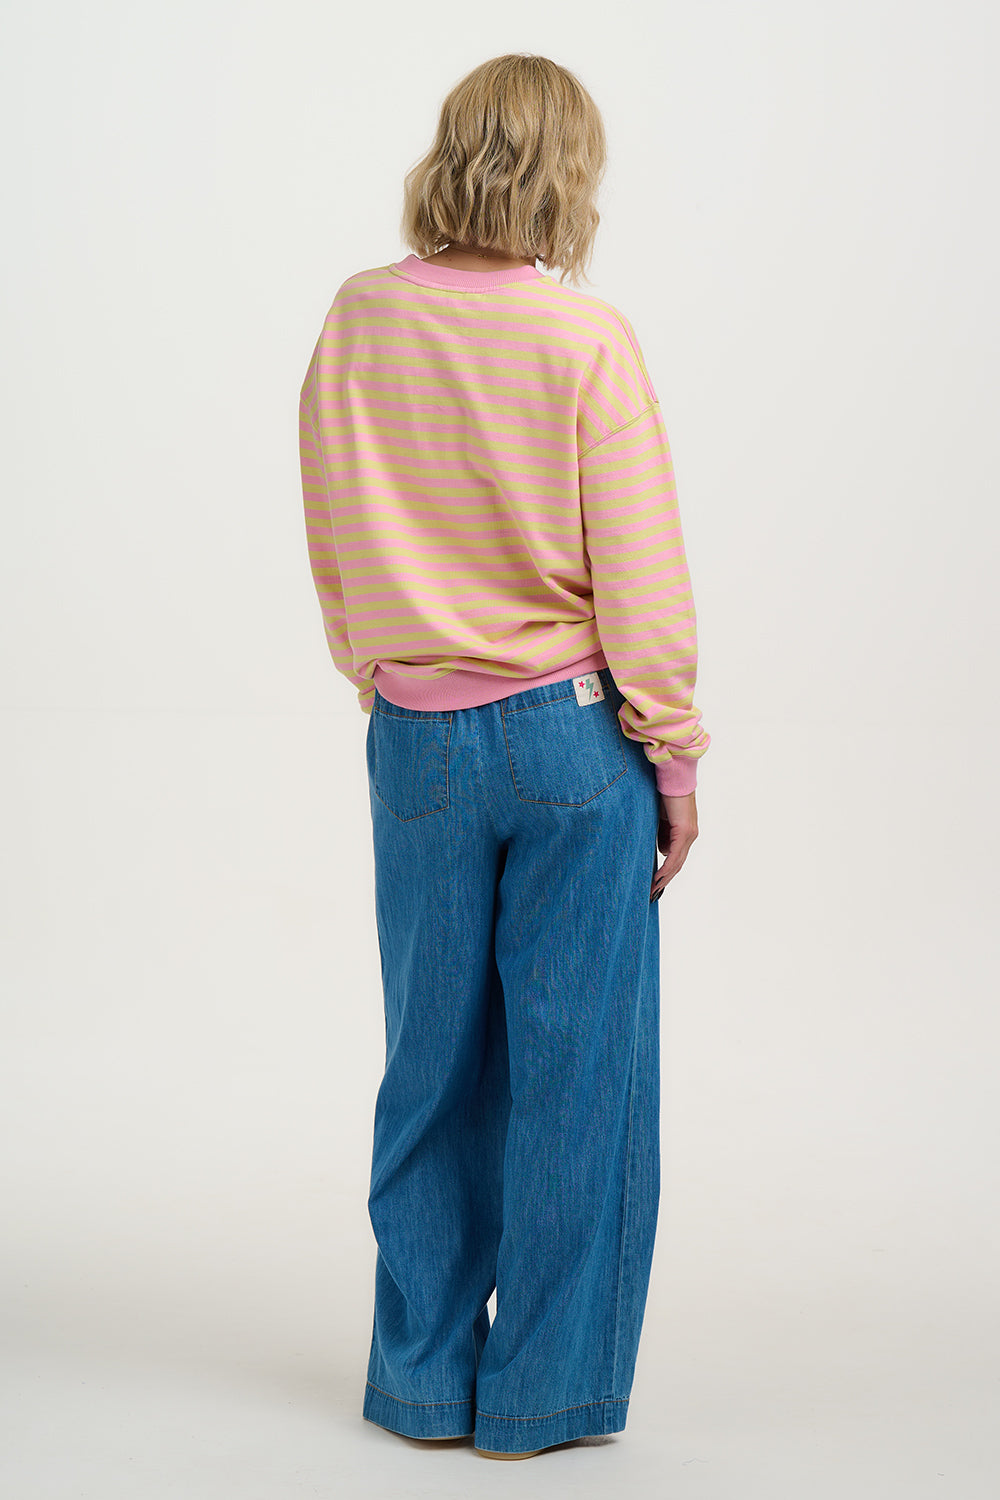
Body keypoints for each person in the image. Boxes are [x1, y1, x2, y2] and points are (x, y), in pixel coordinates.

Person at [298, 52, 711, 1461]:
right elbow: (643, 578)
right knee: (574, 1072)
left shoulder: (357, 319)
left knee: (429, 1067)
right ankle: (538, 1396)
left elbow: (333, 527)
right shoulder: (585, 341)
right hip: (564, 737)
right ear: (564, 175)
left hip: (412, 740)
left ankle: (419, 1381)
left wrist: (380, 668)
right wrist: (674, 758)